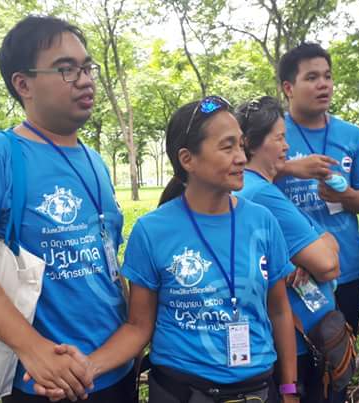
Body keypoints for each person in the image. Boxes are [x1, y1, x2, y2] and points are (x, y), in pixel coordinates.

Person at [0, 15, 133, 403]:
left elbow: (107, 257)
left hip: (114, 371)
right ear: (23, 84)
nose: (85, 80)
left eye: (87, 67)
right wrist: (33, 348)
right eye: (66, 69)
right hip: (43, 382)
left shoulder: (94, 159)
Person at [85, 96, 301, 402]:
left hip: (257, 389)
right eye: (227, 147)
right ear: (188, 159)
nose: (241, 157)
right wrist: (87, 367)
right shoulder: (152, 231)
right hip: (181, 391)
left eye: (241, 145)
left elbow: (279, 310)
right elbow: (138, 327)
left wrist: (289, 389)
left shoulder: (262, 221)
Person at [234, 96, 342, 402]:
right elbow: (328, 264)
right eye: (279, 138)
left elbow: (327, 244)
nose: (286, 146)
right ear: (251, 144)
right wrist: (318, 249)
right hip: (299, 344)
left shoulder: (250, 189)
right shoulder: (263, 195)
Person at [274, 43, 359, 338]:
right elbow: (248, 180)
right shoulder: (273, 134)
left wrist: (346, 196)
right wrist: (290, 168)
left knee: (342, 349)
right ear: (288, 88)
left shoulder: (353, 136)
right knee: (297, 353)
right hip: (291, 269)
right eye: (311, 77)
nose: (323, 84)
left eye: (327, 76)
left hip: (346, 266)